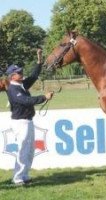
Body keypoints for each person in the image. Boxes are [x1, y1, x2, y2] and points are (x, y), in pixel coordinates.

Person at [6, 49, 53, 186]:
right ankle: (18, 178)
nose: (21, 73)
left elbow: (33, 76)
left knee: (30, 150)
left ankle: (24, 175)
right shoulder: (13, 89)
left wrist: (39, 60)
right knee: (23, 150)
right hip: (20, 123)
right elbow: (27, 101)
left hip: (27, 121)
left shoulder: (20, 85)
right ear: (12, 76)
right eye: (19, 72)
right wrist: (44, 97)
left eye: (20, 71)